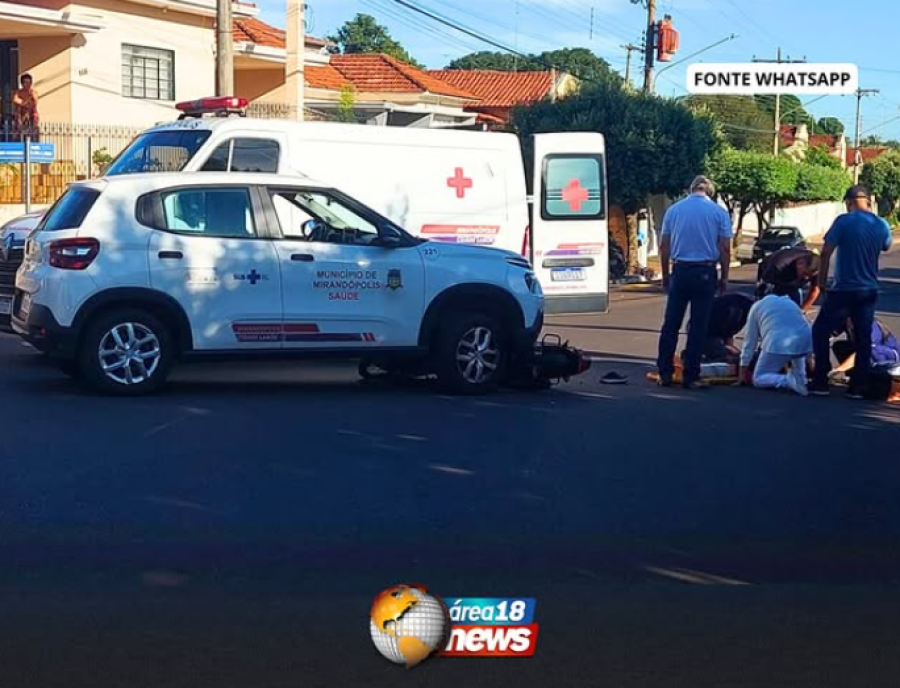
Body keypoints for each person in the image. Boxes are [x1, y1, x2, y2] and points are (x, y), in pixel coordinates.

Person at [810, 185, 893, 399]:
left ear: (848, 202)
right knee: (863, 337)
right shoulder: (881, 224)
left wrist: (821, 282)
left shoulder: (843, 221)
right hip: (868, 290)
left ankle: (820, 381)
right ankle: (858, 386)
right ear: (868, 201)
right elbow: (886, 246)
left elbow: (826, 251)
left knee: (820, 331)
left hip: (843, 289)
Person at [657, 175, 733, 389]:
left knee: (671, 324)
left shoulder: (674, 210)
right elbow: (725, 248)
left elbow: (664, 246)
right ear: (710, 192)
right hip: (705, 271)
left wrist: (665, 275)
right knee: (698, 326)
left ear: (691, 189)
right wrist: (724, 277)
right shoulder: (719, 212)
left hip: (680, 270)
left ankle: (665, 373)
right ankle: (691, 375)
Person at [738, 293, 812, 396]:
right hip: (805, 339)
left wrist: (742, 373)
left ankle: (787, 380)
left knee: (758, 379)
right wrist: (810, 356)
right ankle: (801, 379)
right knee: (797, 351)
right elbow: (804, 323)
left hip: (777, 342)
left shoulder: (756, 307)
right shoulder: (790, 302)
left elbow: (749, 342)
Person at [756, 247, 821, 311]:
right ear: (800, 263)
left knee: (795, 309)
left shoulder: (815, 267)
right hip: (773, 277)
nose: (806, 278)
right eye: (805, 273)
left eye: (810, 276)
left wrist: (802, 310)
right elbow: (763, 287)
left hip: (793, 283)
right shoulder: (778, 264)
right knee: (768, 306)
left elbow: (815, 290)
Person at [830, 318, 900, 377]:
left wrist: (839, 369)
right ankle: (852, 376)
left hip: (887, 357)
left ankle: (869, 376)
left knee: (869, 351)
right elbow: (829, 335)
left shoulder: (870, 326)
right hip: (867, 352)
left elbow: (863, 351)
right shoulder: (846, 322)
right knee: (840, 346)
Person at [703, 292, 754, 363]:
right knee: (727, 357)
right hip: (705, 332)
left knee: (730, 355)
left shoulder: (743, 306)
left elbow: (729, 333)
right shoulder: (741, 307)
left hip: (707, 328)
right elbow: (728, 332)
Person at [12, 73, 39, 138]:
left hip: (31, 114)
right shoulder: (18, 92)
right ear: (22, 83)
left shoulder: (33, 92)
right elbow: (15, 100)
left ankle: (32, 134)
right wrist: (25, 103)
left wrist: (27, 101)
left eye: (29, 82)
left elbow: (35, 102)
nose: (28, 84)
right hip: (21, 114)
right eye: (25, 82)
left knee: (35, 115)